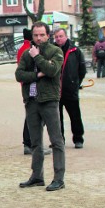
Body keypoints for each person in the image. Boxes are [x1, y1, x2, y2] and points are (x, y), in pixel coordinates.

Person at [15, 22, 66, 192]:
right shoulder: (26, 54)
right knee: (36, 142)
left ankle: (59, 178)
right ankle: (37, 176)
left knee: (56, 141)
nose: (38, 38)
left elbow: (52, 71)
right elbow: (19, 74)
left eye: (42, 35)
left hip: (49, 100)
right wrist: (37, 75)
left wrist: (38, 57)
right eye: (35, 35)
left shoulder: (55, 51)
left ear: (47, 35)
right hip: (31, 101)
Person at [53, 28, 86, 149]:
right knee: (57, 117)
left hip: (70, 89)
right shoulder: (52, 50)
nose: (58, 39)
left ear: (66, 36)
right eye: (56, 37)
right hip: (55, 89)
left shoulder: (75, 50)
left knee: (75, 115)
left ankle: (78, 139)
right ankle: (59, 139)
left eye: (60, 36)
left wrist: (76, 83)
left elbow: (82, 69)